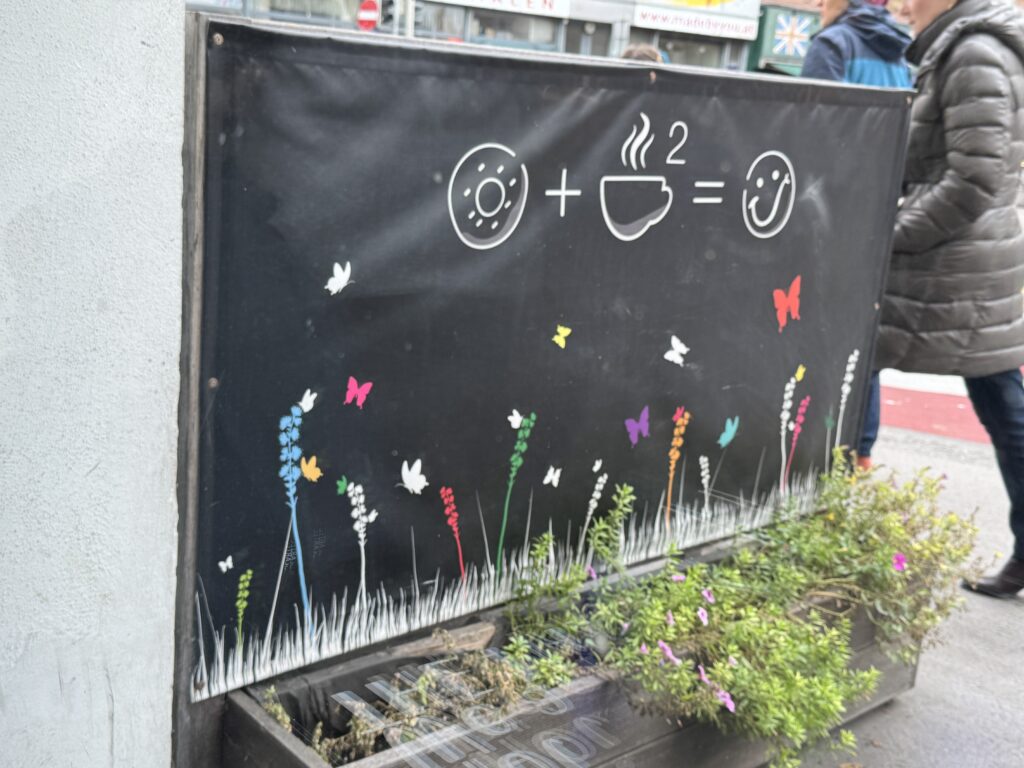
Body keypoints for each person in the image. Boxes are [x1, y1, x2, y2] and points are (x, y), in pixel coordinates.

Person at [875, 0, 1024, 597]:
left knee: (1004, 407)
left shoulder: (973, 53)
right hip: (974, 258)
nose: (899, 6)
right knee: (1003, 403)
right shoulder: (968, 47)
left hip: (959, 263)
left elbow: (974, 179)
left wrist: (889, 232)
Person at [801, 0, 912, 470]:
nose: (816, 5)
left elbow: (813, 134)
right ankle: (860, 452)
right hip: (883, 207)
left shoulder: (833, 46)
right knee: (863, 331)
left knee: (815, 333)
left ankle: (817, 454)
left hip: (831, 213)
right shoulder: (902, 51)